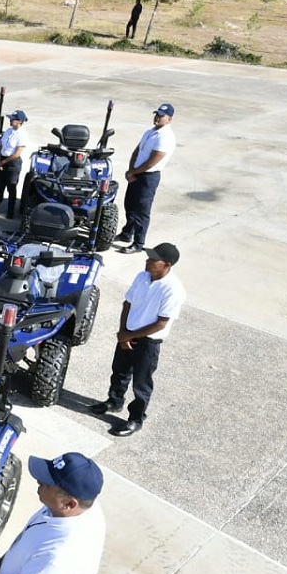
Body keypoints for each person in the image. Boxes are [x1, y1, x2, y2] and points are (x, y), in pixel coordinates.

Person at [89, 242, 185, 437]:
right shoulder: (142, 277)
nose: (147, 261)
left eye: (153, 259)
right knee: (119, 372)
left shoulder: (173, 290)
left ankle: (136, 419)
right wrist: (123, 332)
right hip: (128, 334)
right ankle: (114, 402)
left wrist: (128, 336)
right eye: (148, 257)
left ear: (166, 264)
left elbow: (161, 323)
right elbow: (127, 304)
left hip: (148, 342)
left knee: (141, 383)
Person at [116, 103, 176, 253]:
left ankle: (138, 243)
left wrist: (134, 172)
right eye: (157, 115)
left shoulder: (166, 137)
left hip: (148, 177)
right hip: (136, 172)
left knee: (142, 210)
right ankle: (127, 233)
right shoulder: (149, 132)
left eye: (161, 116)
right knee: (129, 204)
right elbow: (137, 150)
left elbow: (153, 161)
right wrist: (131, 170)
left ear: (169, 119)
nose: (157, 118)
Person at [0, 110, 27, 219]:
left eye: (13, 119)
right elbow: (1, 146)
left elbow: (17, 153)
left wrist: (3, 162)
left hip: (12, 163)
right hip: (2, 159)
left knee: (11, 187)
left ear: (19, 121)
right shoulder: (8, 131)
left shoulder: (22, 134)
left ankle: (10, 211)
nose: (10, 121)